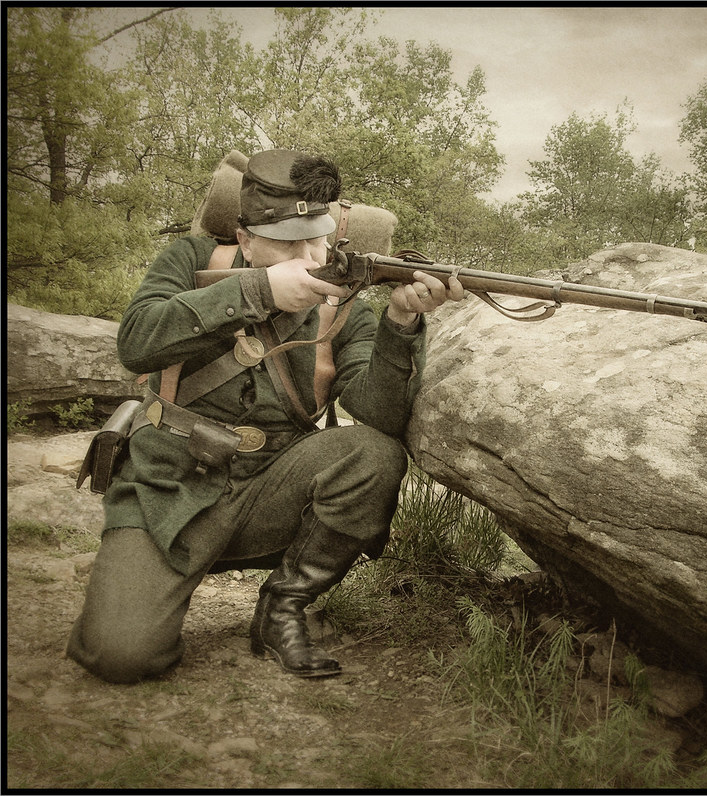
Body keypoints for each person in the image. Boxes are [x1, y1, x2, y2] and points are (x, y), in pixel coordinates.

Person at [66, 149, 464, 682]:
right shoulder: (192, 259)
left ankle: (282, 609)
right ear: (247, 237)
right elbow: (136, 343)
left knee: (373, 454)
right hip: (167, 488)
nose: (308, 253)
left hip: (271, 489)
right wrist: (258, 290)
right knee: (120, 656)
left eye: (317, 238)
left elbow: (377, 413)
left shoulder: (343, 301)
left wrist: (399, 322)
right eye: (287, 240)